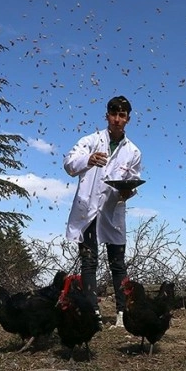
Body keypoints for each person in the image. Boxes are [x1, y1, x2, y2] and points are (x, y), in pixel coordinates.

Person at [63, 95, 142, 328]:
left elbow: (133, 180)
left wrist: (128, 191)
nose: (117, 120)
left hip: (113, 211)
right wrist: (88, 159)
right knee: (88, 262)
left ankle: (122, 313)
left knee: (117, 263)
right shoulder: (90, 141)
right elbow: (69, 164)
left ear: (128, 119)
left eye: (122, 115)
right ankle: (92, 312)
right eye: (113, 114)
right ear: (106, 116)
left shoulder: (133, 152)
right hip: (88, 210)